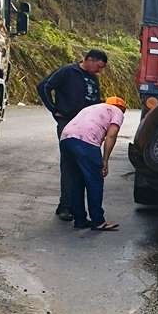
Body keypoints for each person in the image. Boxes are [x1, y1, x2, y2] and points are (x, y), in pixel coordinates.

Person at [37, 50, 107, 220]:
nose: (99, 71)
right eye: (98, 66)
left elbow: (95, 102)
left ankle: (76, 207)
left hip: (87, 127)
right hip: (68, 123)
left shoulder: (93, 79)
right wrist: (55, 110)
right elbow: (43, 86)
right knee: (69, 164)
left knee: (83, 165)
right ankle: (65, 207)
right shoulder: (68, 71)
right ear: (89, 60)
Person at [59, 96, 126, 231]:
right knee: (94, 181)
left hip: (66, 139)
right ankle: (98, 221)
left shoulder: (91, 108)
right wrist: (105, 160)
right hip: (85, 142)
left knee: (76, 181)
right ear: (122, 109)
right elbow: (111, 135)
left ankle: (80, 220)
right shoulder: (116, 111)